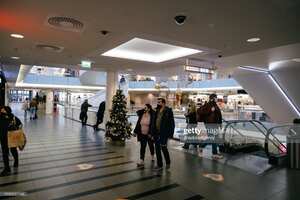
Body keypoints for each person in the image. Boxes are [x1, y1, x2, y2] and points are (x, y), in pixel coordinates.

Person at [153, 98, 175, 171]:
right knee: (157, 149)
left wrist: (170, 134)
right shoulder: (157, 110)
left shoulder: (168, 111)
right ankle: (160, 165)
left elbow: (172, 123)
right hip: (156, 132)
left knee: (163, 148)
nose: (158, 103)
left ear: (163, 103)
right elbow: (154, 121)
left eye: (159, 102)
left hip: (164, 133)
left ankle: (168, 162)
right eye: (158, 102)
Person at [199, 94, 223, 159]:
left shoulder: (215, 105)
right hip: (210, 124)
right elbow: (201, 112)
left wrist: (220, 124)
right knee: (213, 138)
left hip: (215, 124)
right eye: (216, 98)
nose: (217, 99)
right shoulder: (207, 105)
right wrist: (210, 110)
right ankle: (214, 153)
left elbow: (219, 115)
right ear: (212, 98)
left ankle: (202, 145)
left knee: (214, 138)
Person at [0, 106, 22, 176]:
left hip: (9, 137)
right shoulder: (4, 117)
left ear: (7, 110)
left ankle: (14, 163)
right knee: (6, 152)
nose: (2, 110)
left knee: (10, 151)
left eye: (3, 109)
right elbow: (20, 125)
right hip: (6, 138)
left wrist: (16, 130)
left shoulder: (12, 117)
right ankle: (8, 167)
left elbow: (20, 124)